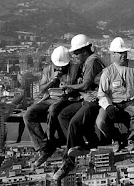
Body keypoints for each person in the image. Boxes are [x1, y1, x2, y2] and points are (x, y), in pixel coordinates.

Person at [53, 34, 106, 181]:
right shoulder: (91, 60)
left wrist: (69, 86)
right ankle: (79, 145)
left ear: (84, 51)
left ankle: (68, 161)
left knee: (75, 122)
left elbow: (86, 85)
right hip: (87, 97)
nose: (75, 57)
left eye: (76, 53)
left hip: (95, 99)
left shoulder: (92, 61)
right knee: (63, 115)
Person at [96, 37, 134, 152]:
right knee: (100, 121)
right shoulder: (107, 72)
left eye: (124, 52)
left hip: (132, 101)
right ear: (113, 54)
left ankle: (132, 139)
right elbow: (101, 93)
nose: (123, 55)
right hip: (114, 103)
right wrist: (107, 106)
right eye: (120, 53)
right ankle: (116, 138)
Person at [24, 46, 73, 167]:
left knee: (53, 110)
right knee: (29, 114)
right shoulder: (48, 70)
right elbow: (41, 89)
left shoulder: (74, 70)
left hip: (65, 99)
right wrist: (52, 81)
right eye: (58, 66)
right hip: (49, 98)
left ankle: (51, 139)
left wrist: (68, 86)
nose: (60, 68)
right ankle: (43, 147)